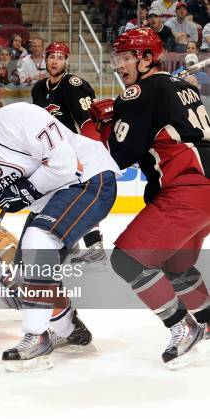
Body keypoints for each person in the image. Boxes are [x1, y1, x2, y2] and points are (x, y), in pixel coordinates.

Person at [0, 81, 120, 371]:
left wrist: (27, 190)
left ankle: (36, 336)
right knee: (25, 272)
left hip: (89, 179)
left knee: (38, 241)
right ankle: (68, 329)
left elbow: (66, 164)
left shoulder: (20, 116)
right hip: (54, 198)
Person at [89, 28, 210, 368]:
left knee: (129, 259)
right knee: (176, 265)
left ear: (146, 58)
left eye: (127, 57)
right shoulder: (185, 86)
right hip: (204, 189)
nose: (121, 64)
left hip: (187, 187)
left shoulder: (138, 92)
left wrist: (107, 122)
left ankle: (183, 326)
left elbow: (120, 155)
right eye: (120, 57)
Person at [31, 42, 108, 264]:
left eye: (60, 57)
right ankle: (69, 244)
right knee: (57, 200)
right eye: (51, 56)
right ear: (45, 59)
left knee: (80, 199)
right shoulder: (38, 88)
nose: (55, 61)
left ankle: (95, 247)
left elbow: (87, 122)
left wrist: (91, 154)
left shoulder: (73, 85)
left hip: (76, 153)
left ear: (67, 61)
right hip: (51, 155)